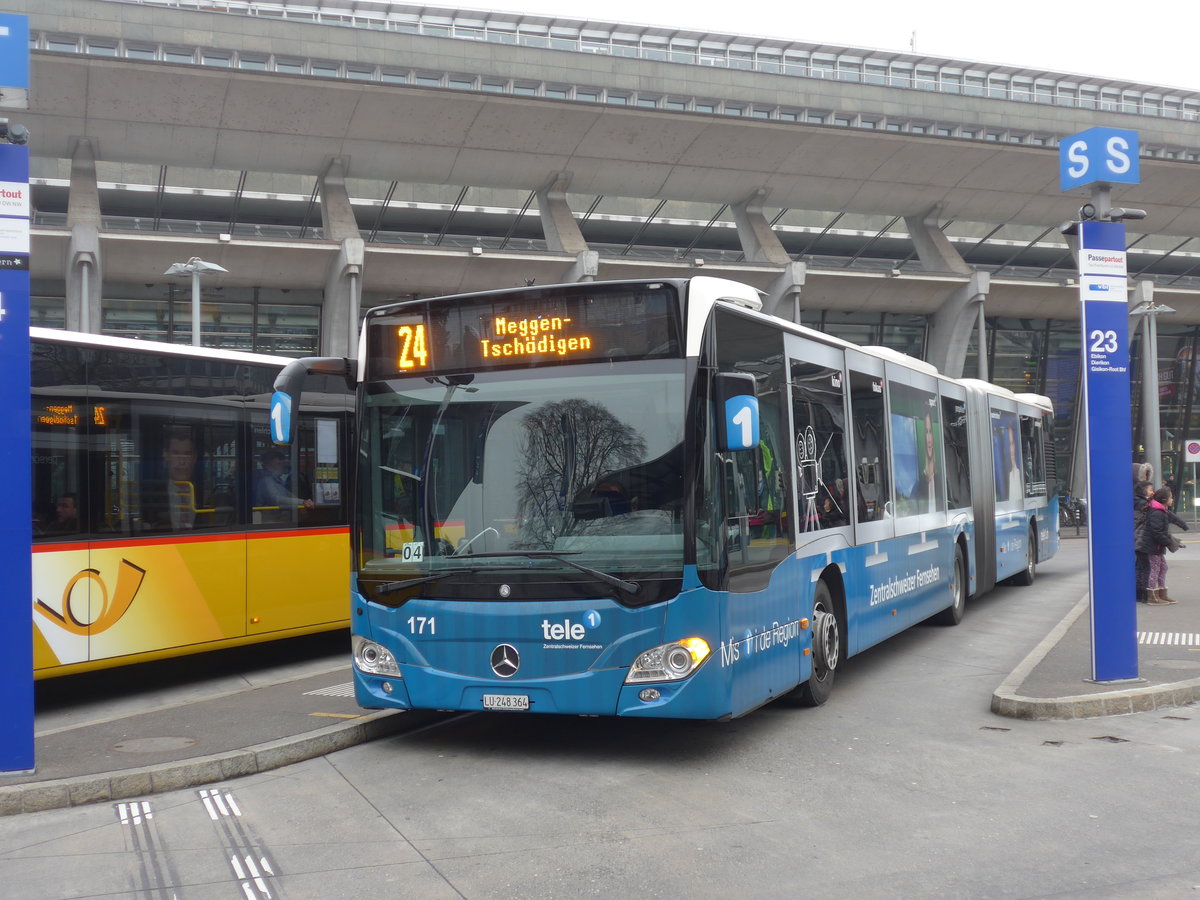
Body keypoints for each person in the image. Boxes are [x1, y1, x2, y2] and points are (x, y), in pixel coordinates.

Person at [142, 428, 200, 531]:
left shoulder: (204, 494)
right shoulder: (151, 495)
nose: (182, 462)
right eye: (175, 453)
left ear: (194, 458)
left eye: (187, 454)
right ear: (166, 456)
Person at [1138, 486, 1187, 605]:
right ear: (1165, 500)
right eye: (1171, 498)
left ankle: (1161, 594)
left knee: (1163, 568)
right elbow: (1157, 533)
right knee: (1154, 570)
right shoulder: (1156, 512)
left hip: (1157, 547)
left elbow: (1173, 518)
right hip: (1152, 547)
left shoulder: (1162, 510)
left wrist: (1183, 525)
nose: (1172, 500)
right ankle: (1152, 596)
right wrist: (1170, 543)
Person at [254, 449, 315, 513]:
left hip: (280, 516)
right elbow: (277, 499)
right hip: (268, 518)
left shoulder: (278, 480)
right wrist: (302, 502)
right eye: (278, 464)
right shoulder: (266, 481)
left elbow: (289, 495)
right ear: (268, 466)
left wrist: (302, 504)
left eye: (282, 463)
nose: (282, 466)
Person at [1133, 480, 1153, 602]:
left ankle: (1139, 592)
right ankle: (1142, 593)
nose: (1152, 491)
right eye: (1150, 489)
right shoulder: (1142, 503)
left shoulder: (1137, 501)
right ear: (1144, 490)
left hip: (1137, 538)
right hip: (1141, 538)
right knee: (1143, 567)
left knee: (1139, 566)